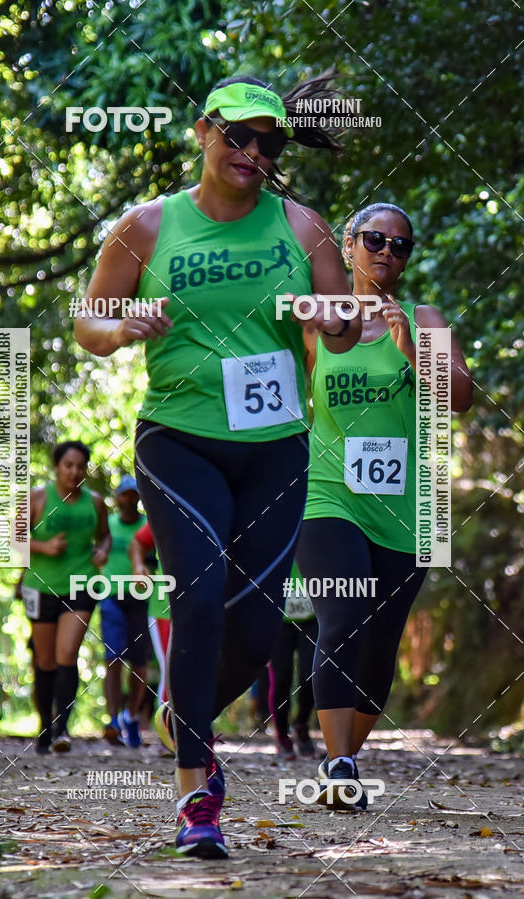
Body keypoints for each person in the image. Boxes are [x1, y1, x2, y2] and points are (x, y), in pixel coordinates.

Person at [76, 73, 360, 857]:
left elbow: (339, 327)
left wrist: (327, 316)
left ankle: (184, 713)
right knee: (198, 600)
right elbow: (86, 322)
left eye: (268, 140)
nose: (252, 151)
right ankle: (195, 793)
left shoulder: (303, 228)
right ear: (203, 132)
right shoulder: (145, 226)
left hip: (276, 448)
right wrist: (124, 322)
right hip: (180, 440)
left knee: (258, 626)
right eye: (237, 134)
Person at [296, 202, 473, 809]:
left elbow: (462, 398)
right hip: (328, 494)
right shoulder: (320, 322)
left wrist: (411, 346)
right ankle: (339, 767)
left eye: (401, 245)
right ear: (348, 244)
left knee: (379, 644)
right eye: (375, 239)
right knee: (343, 613)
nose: (386, 252)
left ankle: (342, 755)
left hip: (410, 508)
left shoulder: (423, 317)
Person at [21, 440, 111, 754]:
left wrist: (102, 551)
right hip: (40, 586)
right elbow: (10, 542)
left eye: (80, 466)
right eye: (68, 465)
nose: (74, 472)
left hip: (81, 584)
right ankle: (44, 726)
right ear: (57, 467)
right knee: (44, 661)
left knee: (66, 655)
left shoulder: (96, 502)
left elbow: (106, 535)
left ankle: (63, 728)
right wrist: (44, 547)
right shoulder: (36, 498)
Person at [100, 475, 151, 748]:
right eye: (125, 494)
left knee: (140, 664)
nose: (130, 499)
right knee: (113, 658)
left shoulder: (149, 525)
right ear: (117, 497)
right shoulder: (107, 525)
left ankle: (131, 717)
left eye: (134, 494)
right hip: (110, 596)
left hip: (142, 600)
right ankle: (112, 720)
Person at [269, 562, 318, 760]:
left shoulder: (316, 531)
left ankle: (301, 724)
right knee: (281, 679)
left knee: (312, 675)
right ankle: (282, 736)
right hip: (278, 619)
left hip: (313, 617)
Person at [129, 520, 171, 710]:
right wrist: (138, 567)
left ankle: (199, 730)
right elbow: (137, 542)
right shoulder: (167, 505)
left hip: (208, 606)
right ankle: (170, 730)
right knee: (171, 671)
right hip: (165, 609)